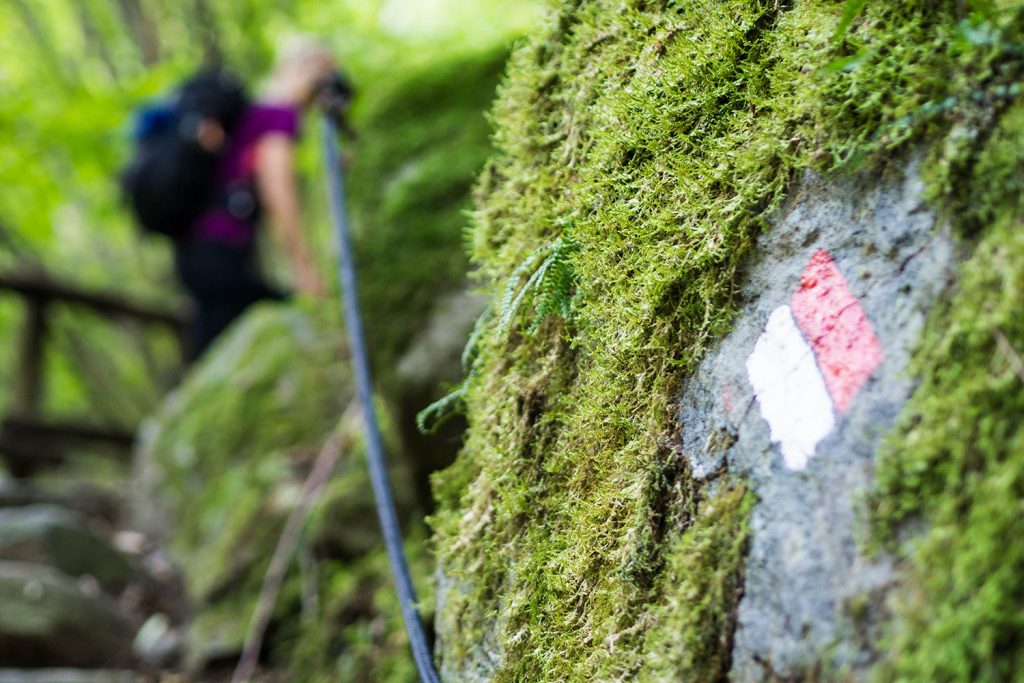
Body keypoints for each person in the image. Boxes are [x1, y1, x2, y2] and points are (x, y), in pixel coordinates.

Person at [174, 42, 337, 357]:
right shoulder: (277, 115)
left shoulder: (254, 110)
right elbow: (279, 193)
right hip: (219, 249)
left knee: (214, 338)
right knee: (237, 334)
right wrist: (303, 266)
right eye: (322, 77)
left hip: (197, 247)